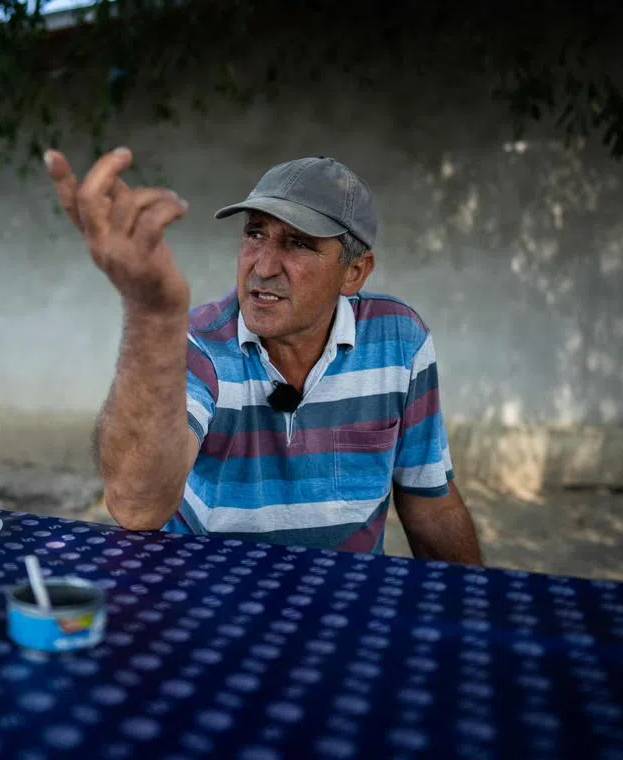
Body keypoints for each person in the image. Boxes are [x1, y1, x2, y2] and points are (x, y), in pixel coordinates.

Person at [44, 146, 482, 563]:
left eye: (297, 244)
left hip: (347, 605)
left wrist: (475, 615)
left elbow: (430, 506)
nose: (264, 266)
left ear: (354, 272)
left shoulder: (399, 340)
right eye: (255, 233)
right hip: (213, 601)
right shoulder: (200, 342)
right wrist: (151, 312)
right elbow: (136, 505)